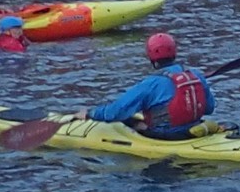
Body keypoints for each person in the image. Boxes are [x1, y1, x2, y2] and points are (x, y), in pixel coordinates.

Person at [73, 32, 215, 140]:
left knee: (127, 119)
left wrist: (91, 113)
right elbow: (209, 108)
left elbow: (115, 112)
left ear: (151, 57)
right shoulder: (196, 75)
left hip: (168, 136)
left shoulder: (151, 84)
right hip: (194, 127)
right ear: (174, 52)